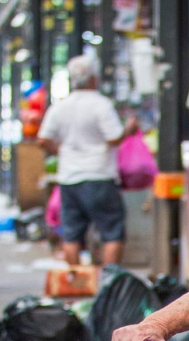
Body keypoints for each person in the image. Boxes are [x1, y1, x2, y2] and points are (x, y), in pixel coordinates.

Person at [38, 55, 138, 267]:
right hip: (100, 175)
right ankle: (109, 283)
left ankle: (75, 284)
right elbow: (113, 138)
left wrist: (62, 150)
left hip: (70, 178)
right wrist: (128, 130)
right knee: (112, 232)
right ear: (93, 79)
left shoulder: (60, 107)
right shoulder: (101, 105)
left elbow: (43, 139)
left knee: (72, 235)